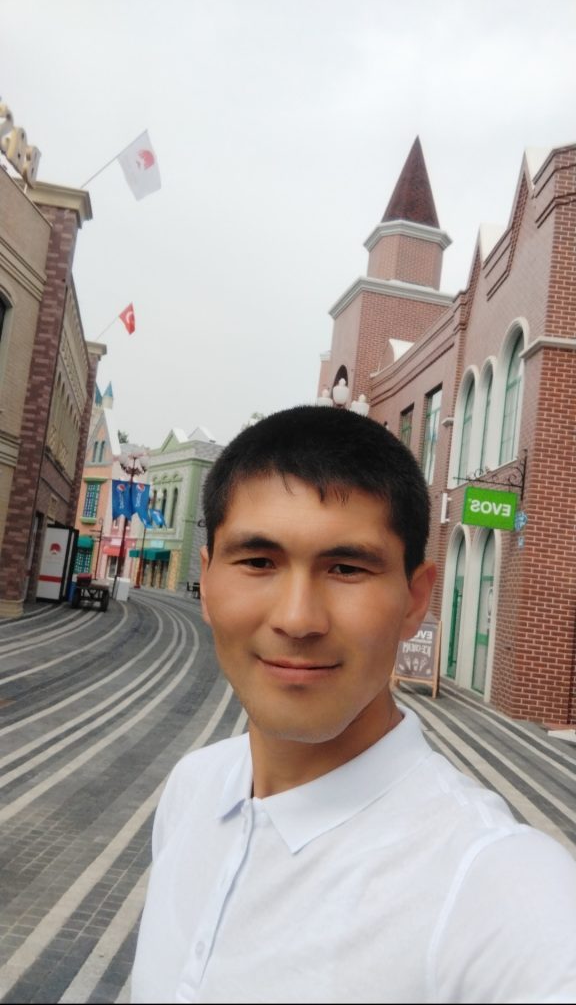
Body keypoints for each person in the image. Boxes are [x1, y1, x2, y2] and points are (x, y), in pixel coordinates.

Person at [131, 405, 576, 1004]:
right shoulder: (193, 788)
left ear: (415, 600)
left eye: (346, 568)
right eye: (258, 562)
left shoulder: (500, 889)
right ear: (206, 583)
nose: (296, 618)